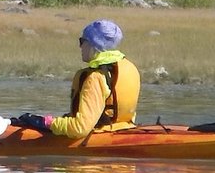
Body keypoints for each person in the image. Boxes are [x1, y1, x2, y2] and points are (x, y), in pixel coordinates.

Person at [11, 19, 141, 138]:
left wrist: (46, 123)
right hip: (124, 128)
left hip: (100, 136)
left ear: (93, 45)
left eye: (82, 41)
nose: (80, 47)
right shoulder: (129, 67)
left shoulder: (96, 78)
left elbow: (80, 129)